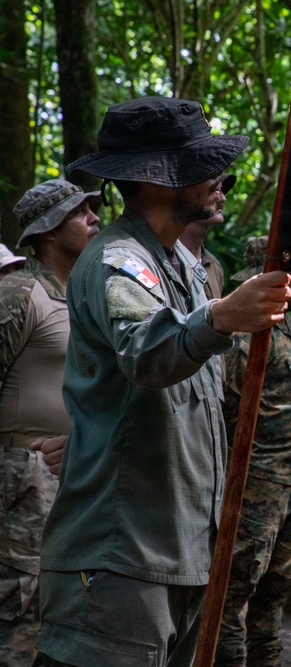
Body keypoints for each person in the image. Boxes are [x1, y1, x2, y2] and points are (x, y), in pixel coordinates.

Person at [34, 96, 291, 667]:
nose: (219, 178)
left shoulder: (187, 270)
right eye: (203, 165)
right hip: (122, 559)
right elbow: (146, 353)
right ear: (158, 181)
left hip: (181, 554)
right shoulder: (116, 260)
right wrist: (223, 317)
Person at [0, 179, 100, 666]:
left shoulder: (82, 297)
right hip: (23, 475)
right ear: (49, 231)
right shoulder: (19, 293)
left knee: (63, 608)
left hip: (72, 473)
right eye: (82, 212)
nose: (95, 219)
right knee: (20, 611)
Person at [215, 237, 291, 667]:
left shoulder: (288, 325)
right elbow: (224, 409)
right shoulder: (246, 330)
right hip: (258, 482)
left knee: (276, 586)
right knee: (234, 591)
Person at [177, 172, 236, 299]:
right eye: (214, 190)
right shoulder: (163, 259)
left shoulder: (214, 266)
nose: (222, 198)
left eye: (221, 190)